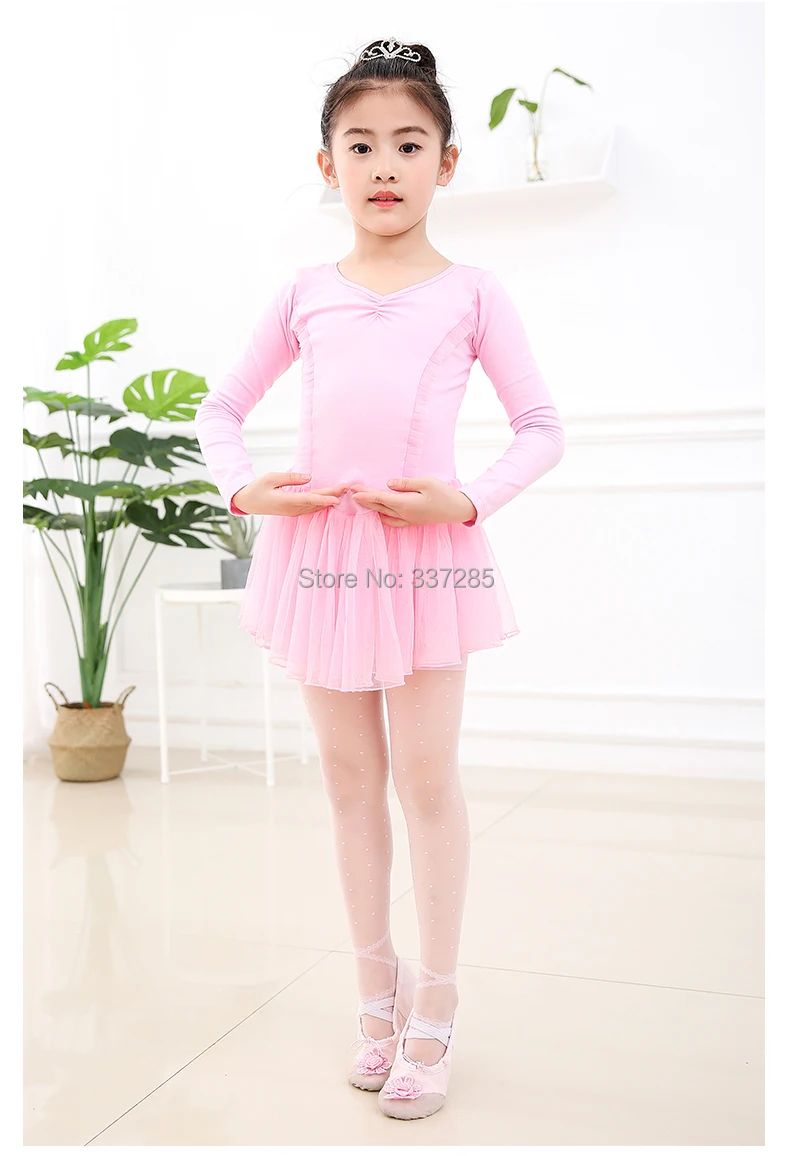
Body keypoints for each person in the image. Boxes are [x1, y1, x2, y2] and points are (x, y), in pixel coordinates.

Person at [194, 36, 565, 1121]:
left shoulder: (472, 293)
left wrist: (466, 500)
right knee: (349, 780)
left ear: (446, 164)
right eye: (360, 145)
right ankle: (374, 991)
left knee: (427, 781)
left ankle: (436, 1002)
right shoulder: (304, 293)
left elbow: (541, 427)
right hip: (321, 558)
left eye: (409, 143)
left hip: (426, 562)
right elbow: (221, 410)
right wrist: (245, 489)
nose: (384, 164)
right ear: (328, 166)